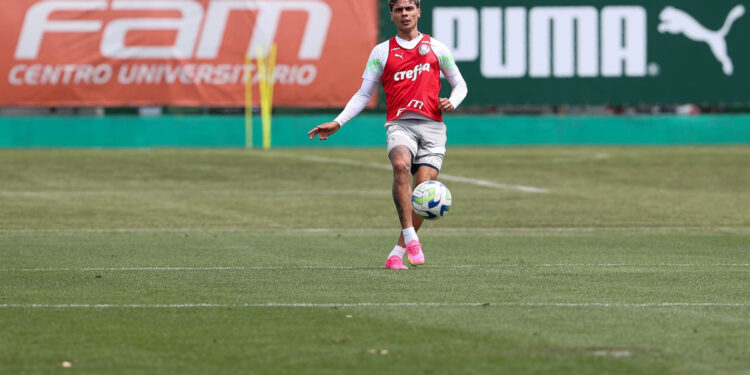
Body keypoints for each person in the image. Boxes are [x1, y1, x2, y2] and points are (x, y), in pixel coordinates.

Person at [307, 0, 468, 270]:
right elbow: (363, 94)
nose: (404, 13)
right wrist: (338, 122)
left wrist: (452, 101)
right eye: (398, 9)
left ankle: (397, 253)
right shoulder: (381, 52)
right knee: (400, 165)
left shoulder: (437, 48)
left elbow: (460, 84)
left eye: (409, 8)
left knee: (424, 193)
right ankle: (411, 237)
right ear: (392, 14)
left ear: (418, 11)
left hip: (433, 129)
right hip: (400, 125)